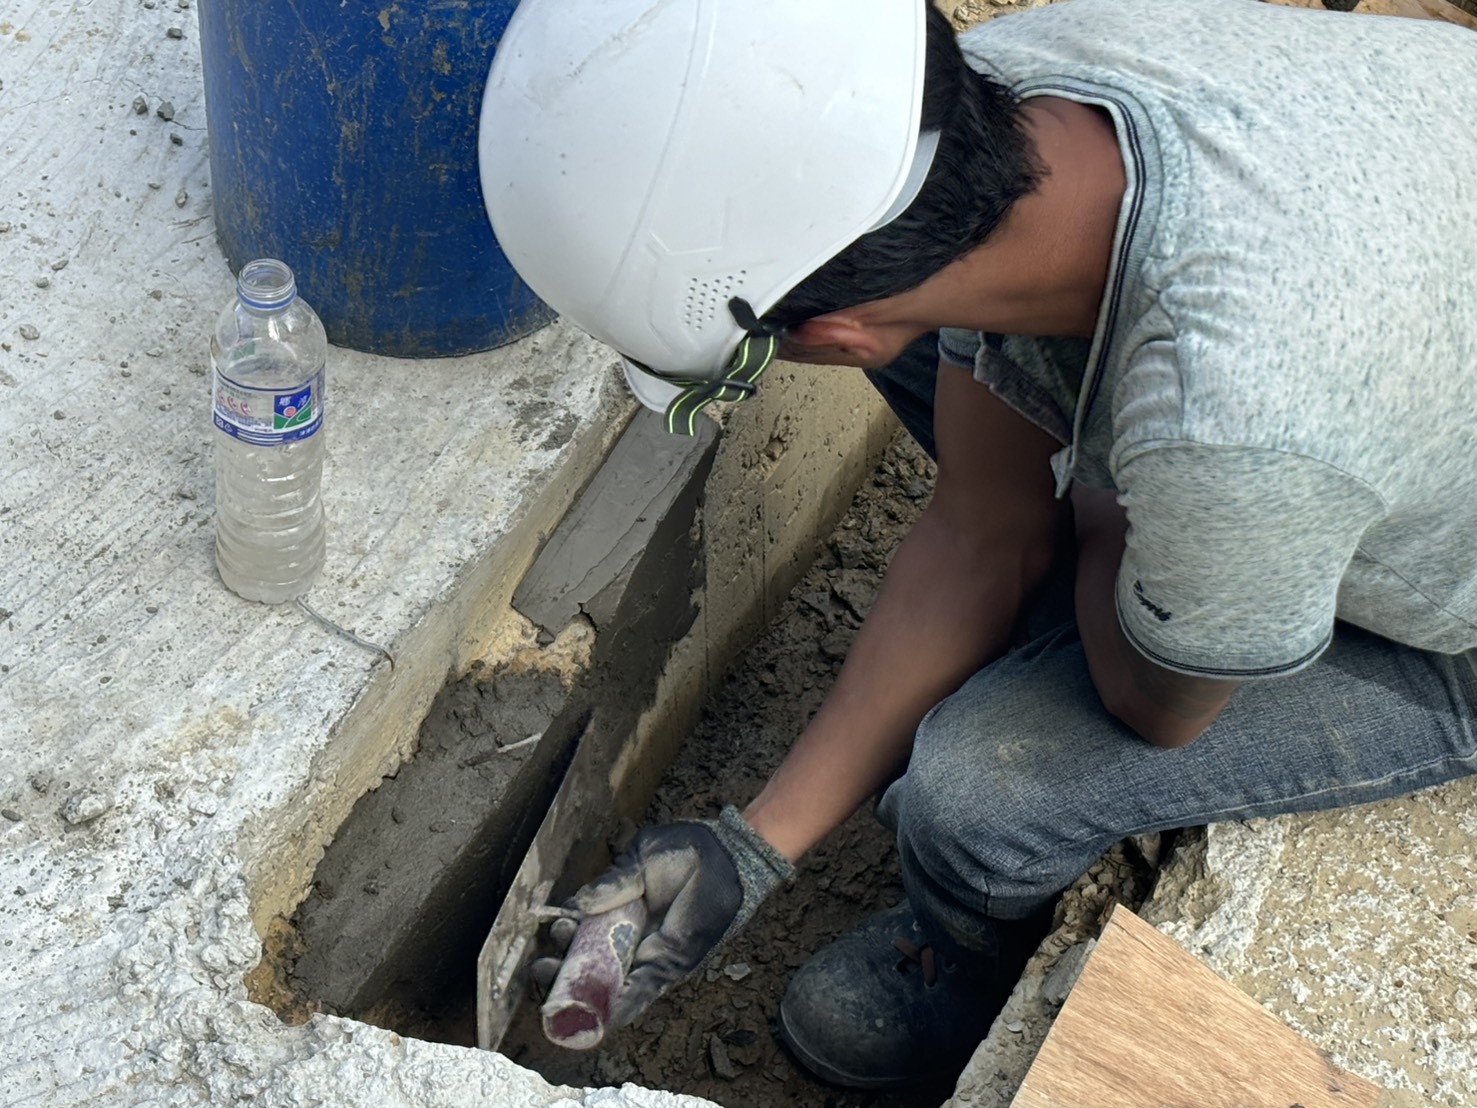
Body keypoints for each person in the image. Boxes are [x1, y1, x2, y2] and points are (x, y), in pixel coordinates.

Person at [479, 0, 1477, 1090]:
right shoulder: (1011, 83)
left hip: (1441, 609)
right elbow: (982, 527)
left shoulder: (1228, 423)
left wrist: (1109, 492)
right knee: (947, 347)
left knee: (971, 798)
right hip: (1384, 326)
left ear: (834, 337)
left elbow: (1155, 708)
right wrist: (751, 849)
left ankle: (962, 969)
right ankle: (1189, 588)